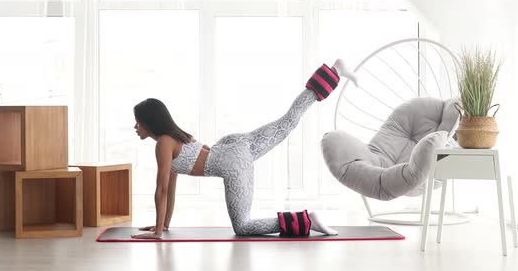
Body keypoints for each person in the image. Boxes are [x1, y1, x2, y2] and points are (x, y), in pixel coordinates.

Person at [131, 59, 357, 239]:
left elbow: (160, 189)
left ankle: (307, 220)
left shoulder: (163, 143)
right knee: (287, 122)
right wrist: (163, 225)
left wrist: (158, 232)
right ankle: (333, 70)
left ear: (148, 122)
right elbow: (170, 189)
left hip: (231, 162)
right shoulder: (173, 138)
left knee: (243, 226)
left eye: (138, 122)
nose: (135, 127)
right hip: (233, 145)